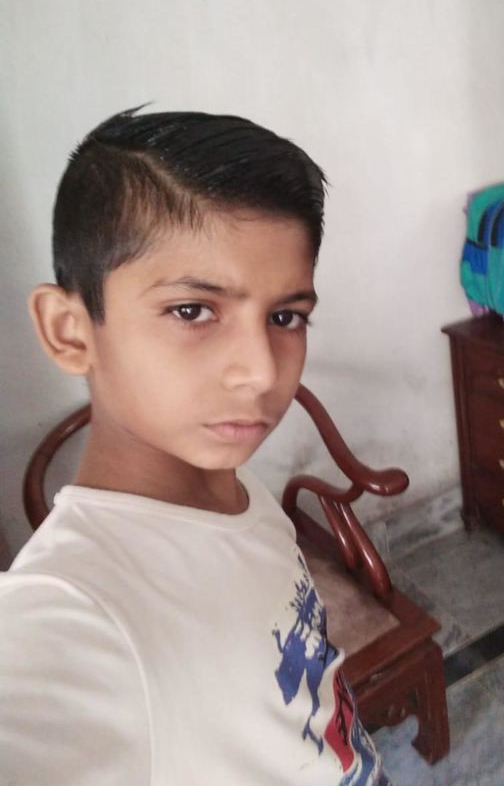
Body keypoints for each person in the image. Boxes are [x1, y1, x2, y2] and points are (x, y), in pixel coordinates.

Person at [0, 108, 388, 785]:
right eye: (192, 311)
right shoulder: (72, 610)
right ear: (69, 330)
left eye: (285, 316)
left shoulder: (233, 489)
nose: (261, 372)